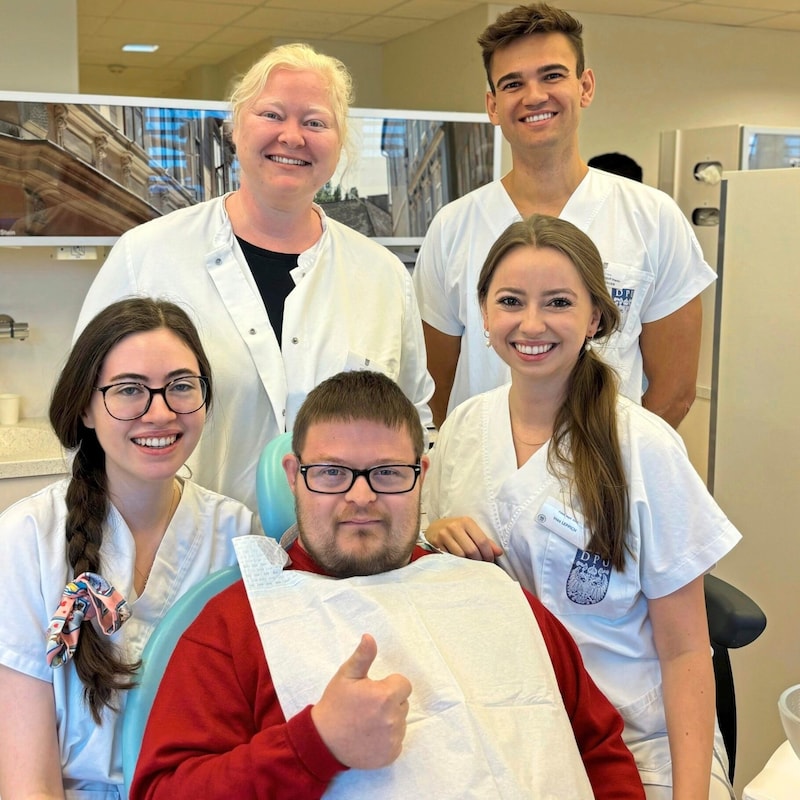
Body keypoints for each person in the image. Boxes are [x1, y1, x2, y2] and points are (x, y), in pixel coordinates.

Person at [130, 370, 645, 800]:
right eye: (331, 473)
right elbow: (163, 791)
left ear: (421, 474)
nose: (360, 497)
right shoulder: (234, 624)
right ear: (293, 474)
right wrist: (315, 745)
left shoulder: (496, 595)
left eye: (387, 473)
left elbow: (600, 750)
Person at [423, 215, 741, 799]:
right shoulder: (464, 429)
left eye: (559, 302)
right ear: (485, 314)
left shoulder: (643, 447)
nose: (532, 323)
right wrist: (435, 535)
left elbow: (688, 649)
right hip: (507, 732)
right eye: (511, 301)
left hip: (639, 740)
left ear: (595, 317)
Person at [75, 43, 434, 512]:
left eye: (315, 122)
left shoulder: (381, 274)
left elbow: (412, 422)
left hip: (343, 558)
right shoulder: (146, 255)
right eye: (272, 114)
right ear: (235, 128)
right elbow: (84, 406)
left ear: (340, 143)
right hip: (183, 553)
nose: (292, 136)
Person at [0, 298, 259, 799]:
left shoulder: (238, 536)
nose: (159, 412)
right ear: (86, 407)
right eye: (129, 391)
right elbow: (27, 780)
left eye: (182, 386)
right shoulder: (27, 538)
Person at [413, 3, 714, 430]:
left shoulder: (653, 219)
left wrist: (612, 467)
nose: (534, 96)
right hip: (482, 483)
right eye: (513, 83)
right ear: (493, 105)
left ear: (585, 86)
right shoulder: (452, 227)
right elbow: (434, 387)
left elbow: (676, 390)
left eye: (552, 75)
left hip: (603, 484)